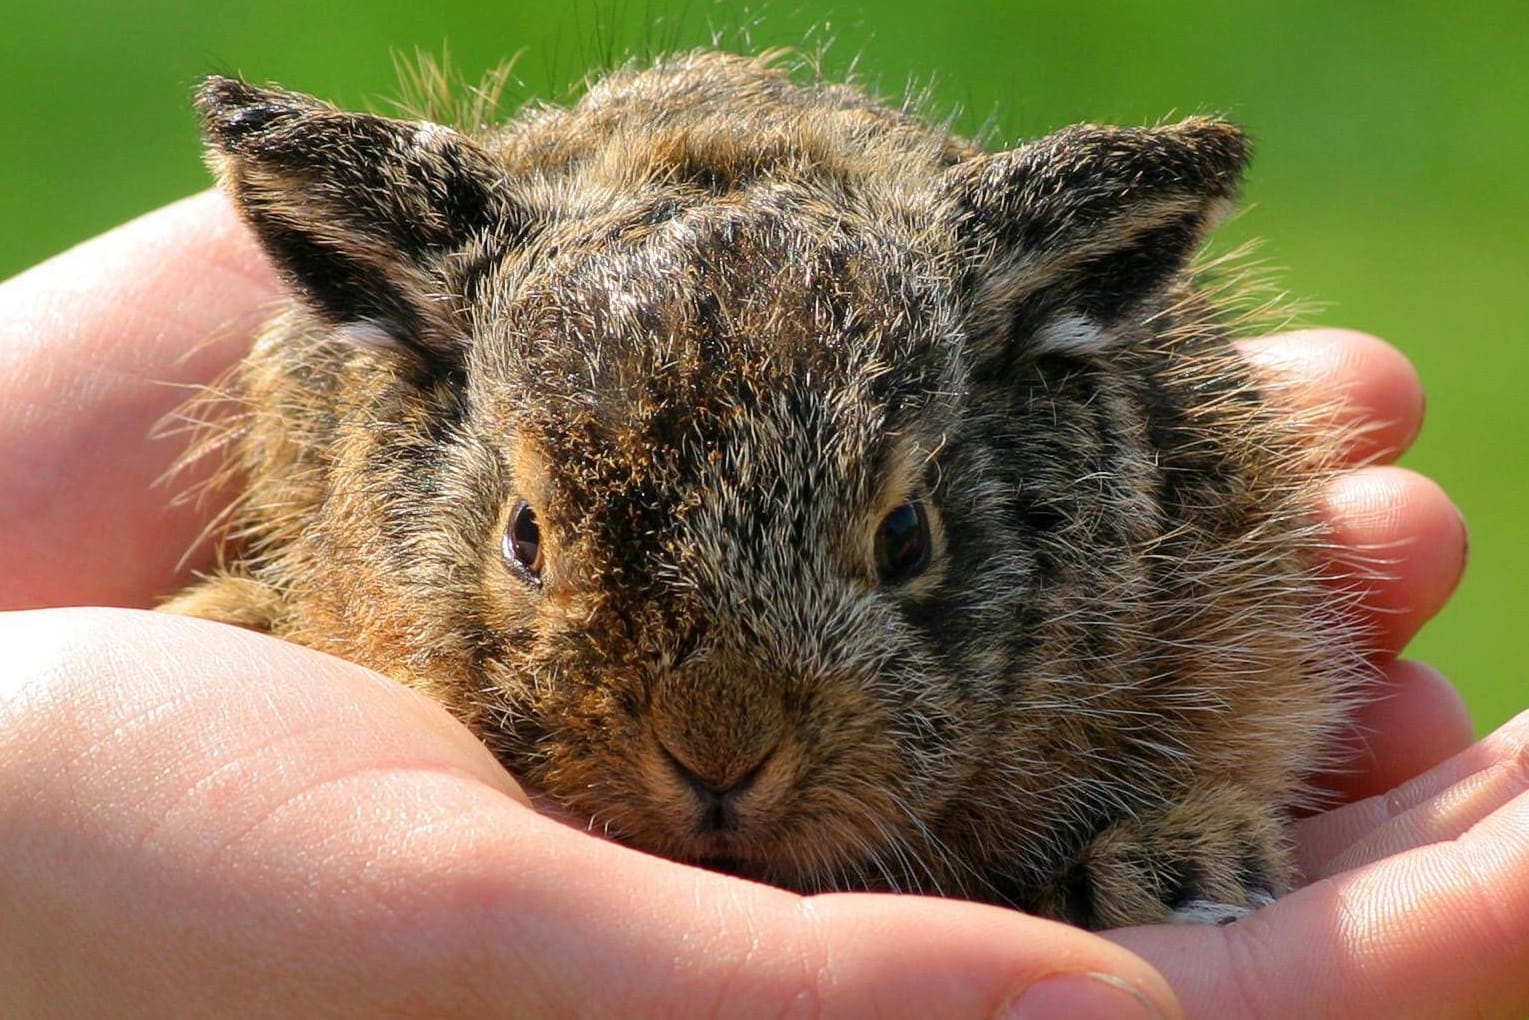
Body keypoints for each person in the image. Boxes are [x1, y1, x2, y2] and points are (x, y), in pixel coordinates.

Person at [0, 192, 1517, 1020]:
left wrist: (1196, 788)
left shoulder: (1110, 476)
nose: (715, 742)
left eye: (897, 541)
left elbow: (1255, 592)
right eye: (534, 540)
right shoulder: (385, 432)